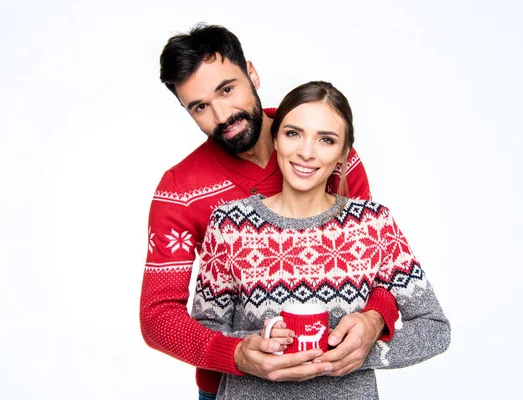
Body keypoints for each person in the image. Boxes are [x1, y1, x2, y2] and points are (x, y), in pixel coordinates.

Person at [139, 24, 400, 399]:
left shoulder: (325, 149)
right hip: (232, 389)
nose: (222, 114)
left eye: (227, 89)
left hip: (337, 384)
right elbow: (158, 315)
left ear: (252, 73)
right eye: (200, 107)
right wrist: (236, 355)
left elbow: (381, 265)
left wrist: (375, 318)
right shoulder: (180, 191)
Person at [191, 81, 451, 399]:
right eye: (293, 133)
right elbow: (203, 328)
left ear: (343, 154)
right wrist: (247, 348)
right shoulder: (229, 224)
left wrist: (364, 353)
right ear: (275, 140)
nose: (306, 152)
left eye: (326, 140)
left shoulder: (373, 223)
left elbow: (435, 328)